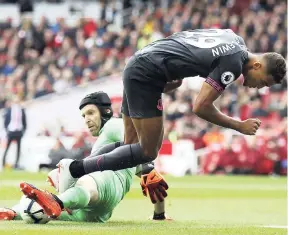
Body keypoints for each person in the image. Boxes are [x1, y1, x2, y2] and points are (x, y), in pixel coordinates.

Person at [56, 28, 286, 201]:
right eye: (264, 82)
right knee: (147, 150)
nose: (259, 88)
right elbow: (201, 106)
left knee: (130, 145)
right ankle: (75, 169)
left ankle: (74, 170)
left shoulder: (234, 38)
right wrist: (239, 126)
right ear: (257, 66)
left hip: (141, 60)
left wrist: (174, 69)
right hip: (148, 73)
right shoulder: (234, 64)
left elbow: (186, 38)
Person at [2, 91, 170, 221]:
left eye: (91, 113)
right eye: (84, 116)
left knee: (79, 176)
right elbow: (154, 183)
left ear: (105, 111)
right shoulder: (110, 145)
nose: (87, 119)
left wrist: (148, 165)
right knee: (36, 211)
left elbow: (136, 143)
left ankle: (57, 201)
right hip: (96, 213)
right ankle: (14, 211)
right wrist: (159, 214)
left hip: (106, 184)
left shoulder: (113, 124)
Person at [2, 96, 27, 169]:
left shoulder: (22, 110)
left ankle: (16, 164)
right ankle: (3, 163)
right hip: (11, 131)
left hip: (19, 131)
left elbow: (24, 121)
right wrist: (7, 130)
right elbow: (6, 121)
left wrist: (23, 130)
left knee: (18, 149)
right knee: (7, 148)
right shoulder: (9, 110)